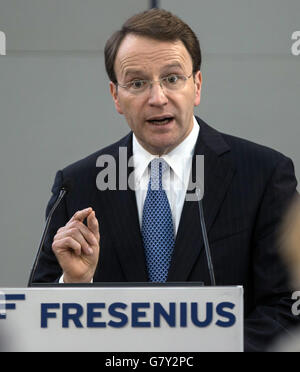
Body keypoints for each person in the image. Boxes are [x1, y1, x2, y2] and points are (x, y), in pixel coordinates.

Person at [32, 9, 299, 351]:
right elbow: (37, 317)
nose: (157, 98)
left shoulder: (263, 174)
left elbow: (286, 308)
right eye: (138, 83)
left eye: (172, 78)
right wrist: (74, 283)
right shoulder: (78, 184)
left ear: (197, 86)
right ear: (116, 96)